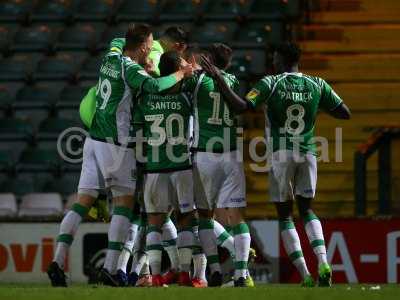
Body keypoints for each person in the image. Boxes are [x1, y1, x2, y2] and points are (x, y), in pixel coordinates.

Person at [47, 23, 193, 287]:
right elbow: (156, 87)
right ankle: (112, 268)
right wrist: (181, 74)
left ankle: (57, 262)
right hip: (115, 144)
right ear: (140, 46)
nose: (151, 48)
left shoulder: (111, 57)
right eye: (149, 44)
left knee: (82, 204)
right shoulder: (131, 69)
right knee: (124, 206)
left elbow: (118, 40)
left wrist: (140, 57)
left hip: (92, 140)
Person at [202, 42, 351, 287]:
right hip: (309, 153)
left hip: (282, 154)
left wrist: (218, 78)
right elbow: (344, 112)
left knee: (285, 215)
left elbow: (241, 106)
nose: (272, 60)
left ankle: (305, 275)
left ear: (281, 58)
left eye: (274, 56)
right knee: (307, 210)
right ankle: (323, 262)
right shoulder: (317, 83)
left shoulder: (271, 83)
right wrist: (313, 109)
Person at [185, 43, 251, 287]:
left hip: (205, 155)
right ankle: (241, 273)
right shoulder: (233, 80)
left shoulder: (198, 81)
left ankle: (213, 269)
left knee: (205, 216)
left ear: (208, 60)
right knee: (237, 216)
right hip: (232, 155)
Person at [134, 51, 196, 287]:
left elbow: (139, 135)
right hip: (182, 166)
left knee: (155, 223)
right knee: (186, 220)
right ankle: (184, 273)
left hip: (155, 168)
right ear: (177, 70)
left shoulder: (145, 99)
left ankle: (157, 275)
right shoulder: (186, 98)